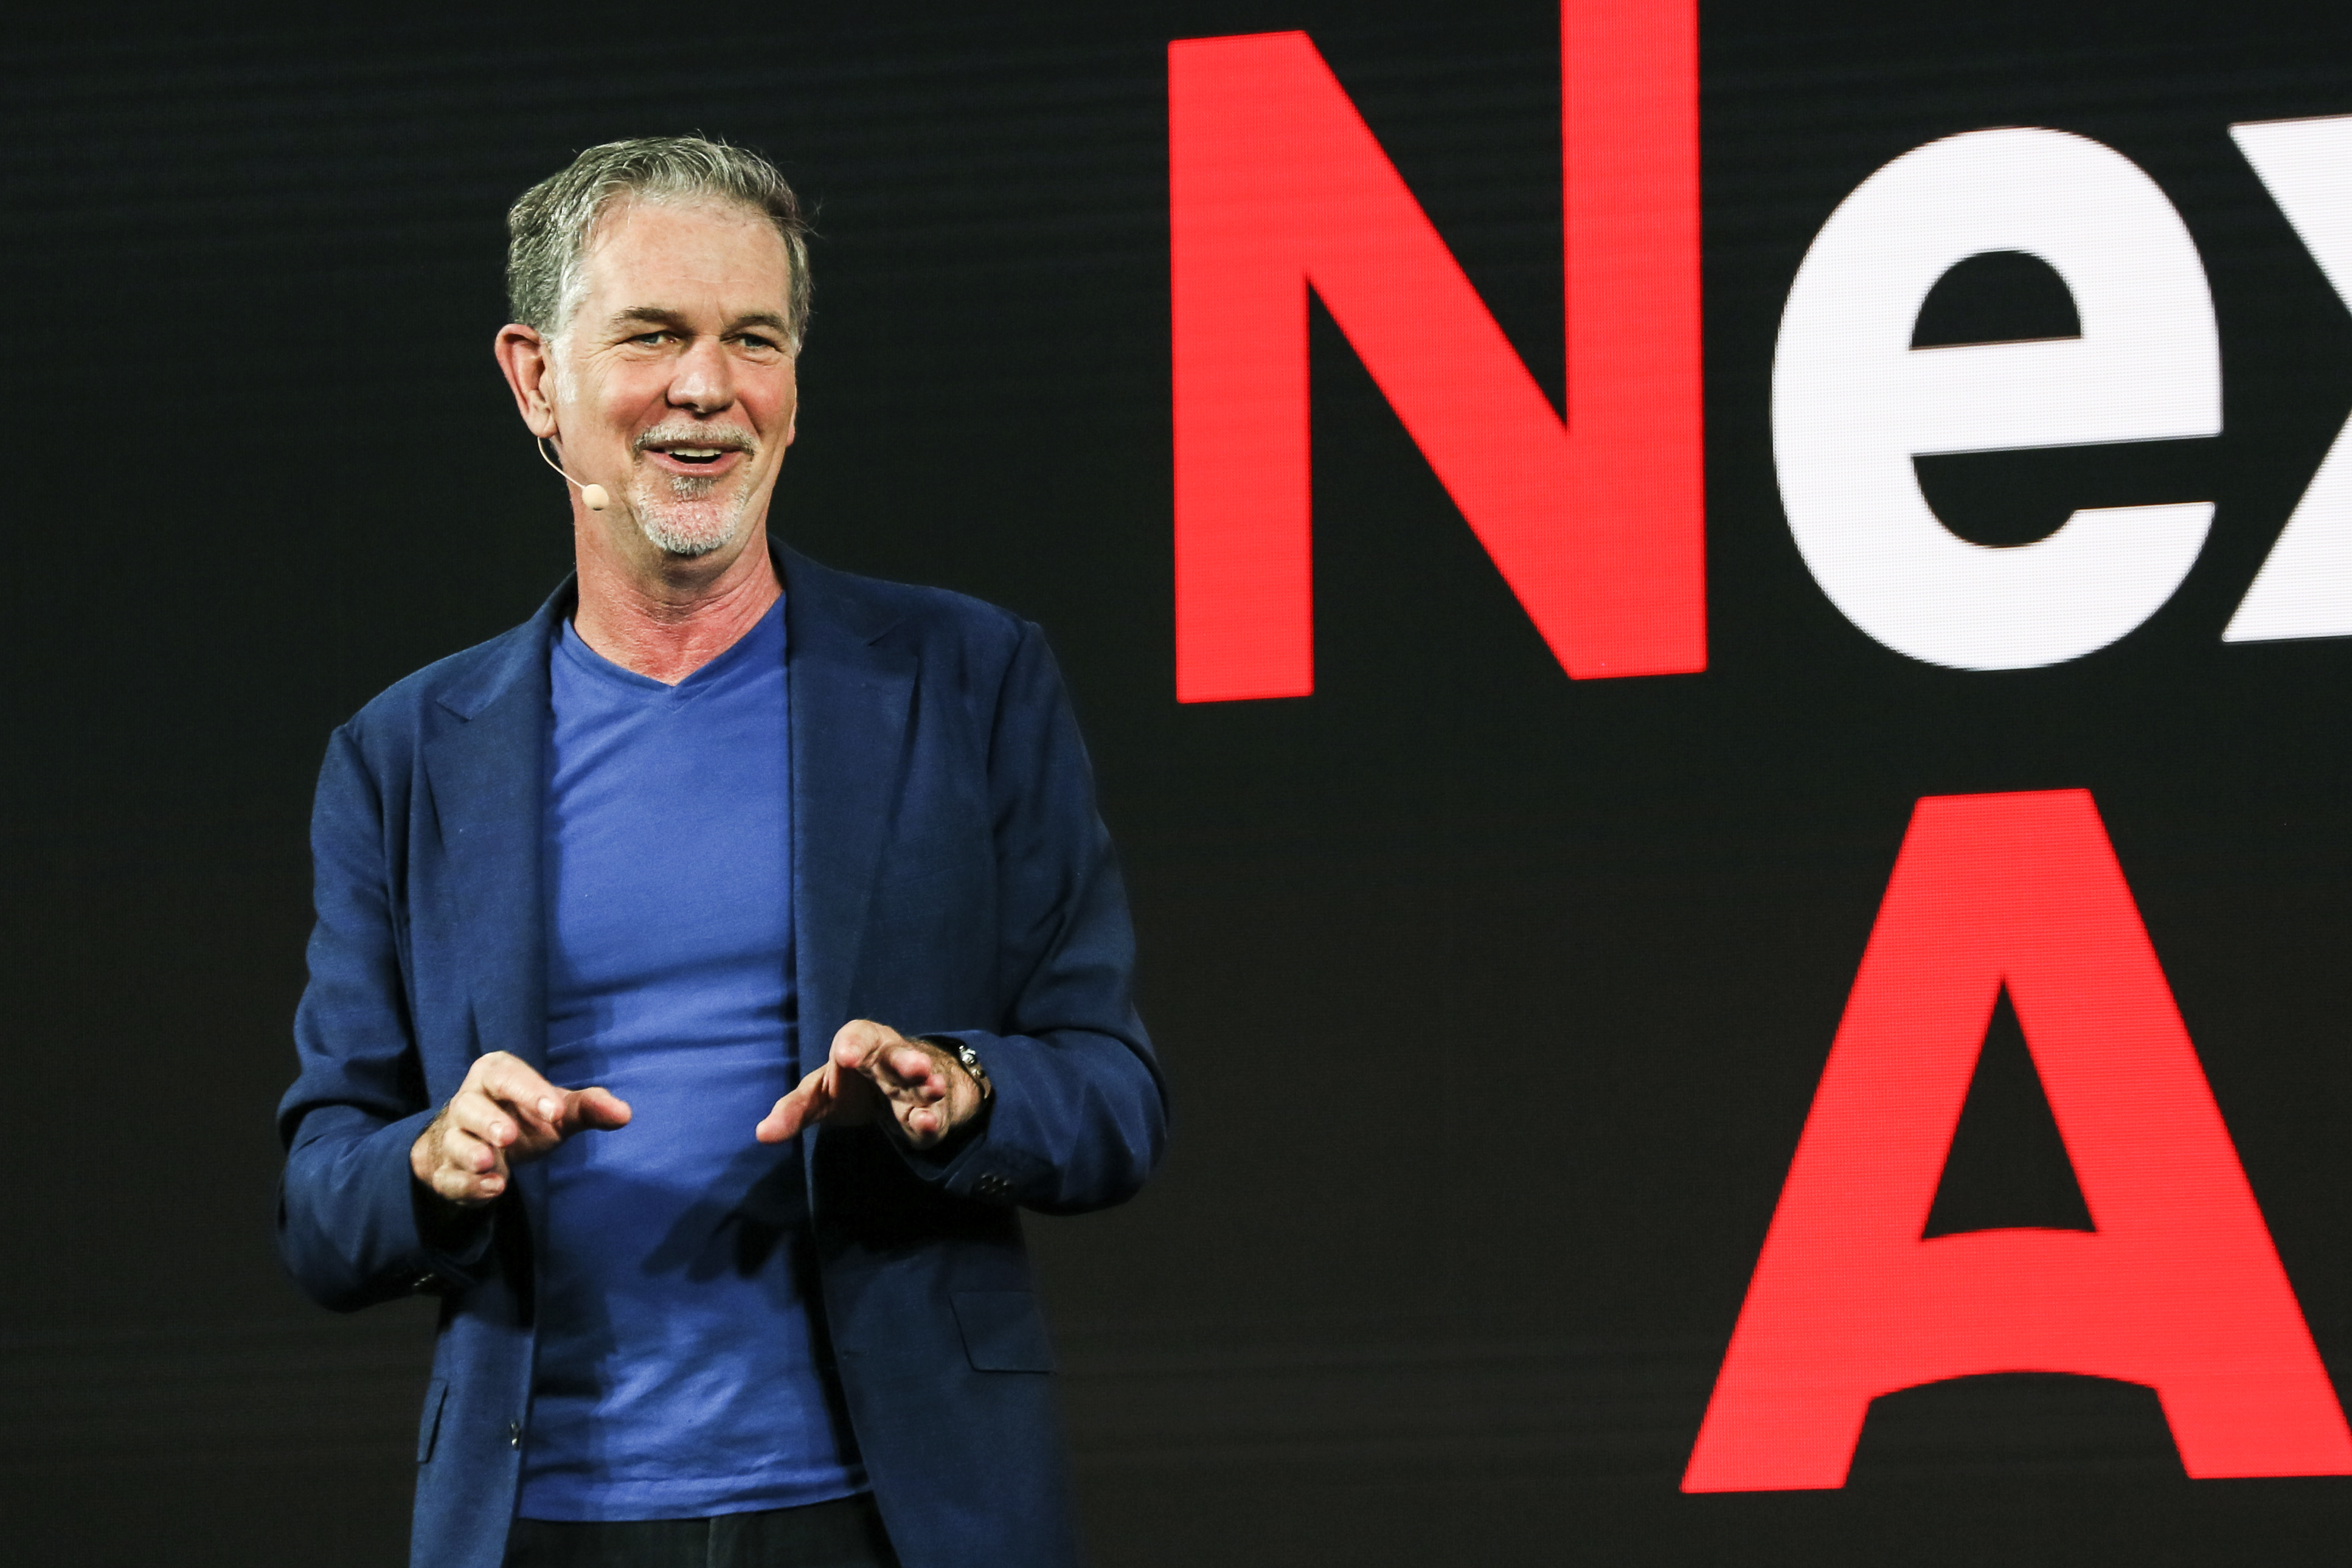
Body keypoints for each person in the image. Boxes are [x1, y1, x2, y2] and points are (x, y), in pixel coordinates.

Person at [275, 136, 1167, 1568]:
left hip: (895, 1512)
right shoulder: (406, 756)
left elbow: (1113, 1096)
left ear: (794, 387)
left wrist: (962, 1087)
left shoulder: (967, 680)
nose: (707, 385)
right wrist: (434, 1159)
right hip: (539, 1519)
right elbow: (324, 1203)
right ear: (535, 379)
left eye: (753, 338)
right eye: (652, 335)